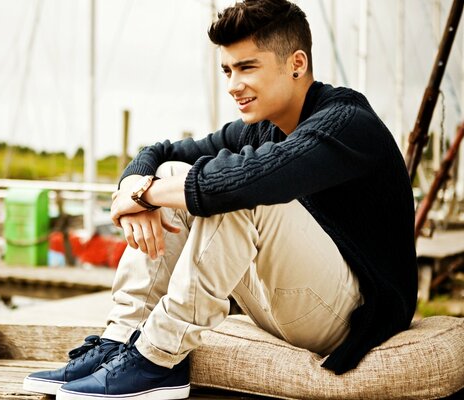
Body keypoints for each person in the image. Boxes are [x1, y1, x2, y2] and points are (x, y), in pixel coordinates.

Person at [24, 0, 418, 399]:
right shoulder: (259, 128)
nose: (232, 85)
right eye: (228, 70)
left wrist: (146, 196)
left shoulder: (348, 122)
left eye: (247, 68)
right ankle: (122, 339)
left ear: (296, 64)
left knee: (238, 190)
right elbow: (160, 153)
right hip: (291, 301)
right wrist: (132, 190)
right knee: (174, 173)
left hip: (354, 316)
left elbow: (251, 182)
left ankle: (159, 356)